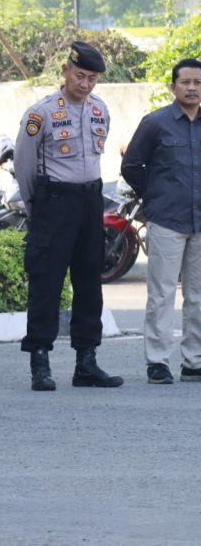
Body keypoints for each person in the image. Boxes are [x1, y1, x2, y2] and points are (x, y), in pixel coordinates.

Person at [13, 41, 123, 391]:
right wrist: (37, 206)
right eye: (80, 76)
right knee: (46, 281)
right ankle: (40, 361)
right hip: (54, 202)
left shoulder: (99, 110)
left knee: (90, 281)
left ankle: (86, 361)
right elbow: (24, 165)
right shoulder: (40, 113)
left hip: (90, 201)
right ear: (65, 70)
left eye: (92, 78)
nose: (86, 84)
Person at [121, 58, 201, 384]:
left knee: (198, 296)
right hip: (167, 221)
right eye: (186, 82)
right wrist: (153, 198)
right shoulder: (155, 123)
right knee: (161, 295)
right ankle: (157, 362)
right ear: (173, 87)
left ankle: (194, 361)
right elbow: (131, 166)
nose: (193, 88)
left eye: (198, 82)